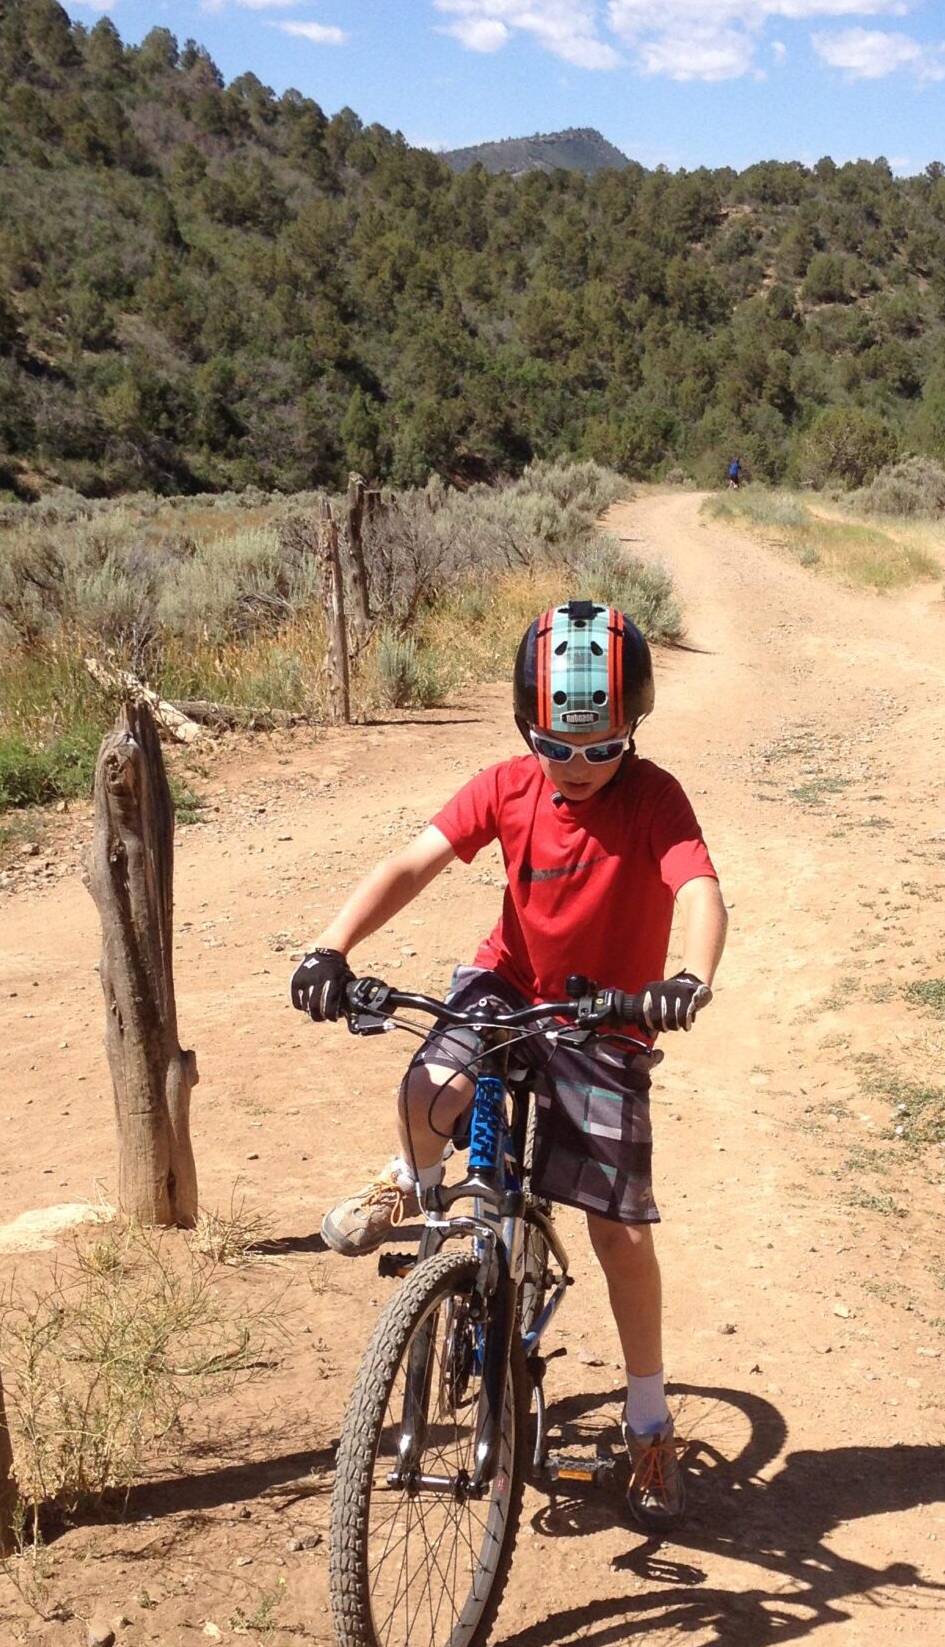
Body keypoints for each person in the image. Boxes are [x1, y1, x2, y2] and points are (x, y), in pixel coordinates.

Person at [290, 599, 728, 1526]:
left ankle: (648, 1426)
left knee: (620, 1232)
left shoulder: (655, 799)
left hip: (607, 1018)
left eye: (601, 748)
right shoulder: (504, 787)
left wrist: (687, 977)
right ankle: (412, 1182)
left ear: (633, 730)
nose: (575, 767)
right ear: (524, 730)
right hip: (510, 985)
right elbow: (415, 862)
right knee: (427, 1083)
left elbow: (698, 887)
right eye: (554, 746)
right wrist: (332, 945)